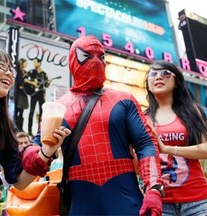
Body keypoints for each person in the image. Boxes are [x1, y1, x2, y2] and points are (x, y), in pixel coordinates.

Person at [33, 35, 164, 215]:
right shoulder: (58, 107)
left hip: (125, 200)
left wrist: (154, 187)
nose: (95, 62)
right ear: (73, 59)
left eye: (100, 57)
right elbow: (37, 152)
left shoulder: (123, 99)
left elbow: (146, 143)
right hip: (84, 201)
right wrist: (30, 158)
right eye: (86, 56)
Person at [0, 46, 70, 215]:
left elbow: (19, 181)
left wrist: (47, 151)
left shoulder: (4, 125)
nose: (9, 73)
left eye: (11, 69)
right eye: (2, 65)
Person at [144, 60, 207, 216]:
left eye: (165, 73)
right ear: (148, 83)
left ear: (176, 82)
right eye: (153, 74)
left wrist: (167, 149)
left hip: (199, 200)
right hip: (161, 203)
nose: (158, 77)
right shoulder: (142, 118)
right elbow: (137, 163)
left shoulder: (192, 111)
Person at [24, 58, 50, 137]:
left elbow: (46, 85)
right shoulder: (32, 71)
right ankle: (29, 131)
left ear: (39, 63)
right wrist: (32, 83)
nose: (34, 63)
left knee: (42, 113)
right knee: (31, 112)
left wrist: (48, 83)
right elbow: (24, 79)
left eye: (35, 62)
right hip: (34, 94)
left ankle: (39, 131)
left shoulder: (44, 74)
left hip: (41, 94)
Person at [15, 58, 29, 131]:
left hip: (24, 93)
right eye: (25, 63)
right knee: (17, 110)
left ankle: (20, 127)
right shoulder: (18, 72)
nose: (26, 64)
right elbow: (19, 82)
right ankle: (15, 126)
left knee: (22, 111)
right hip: (19, 94)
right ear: (22, 63)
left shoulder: (25, 72)